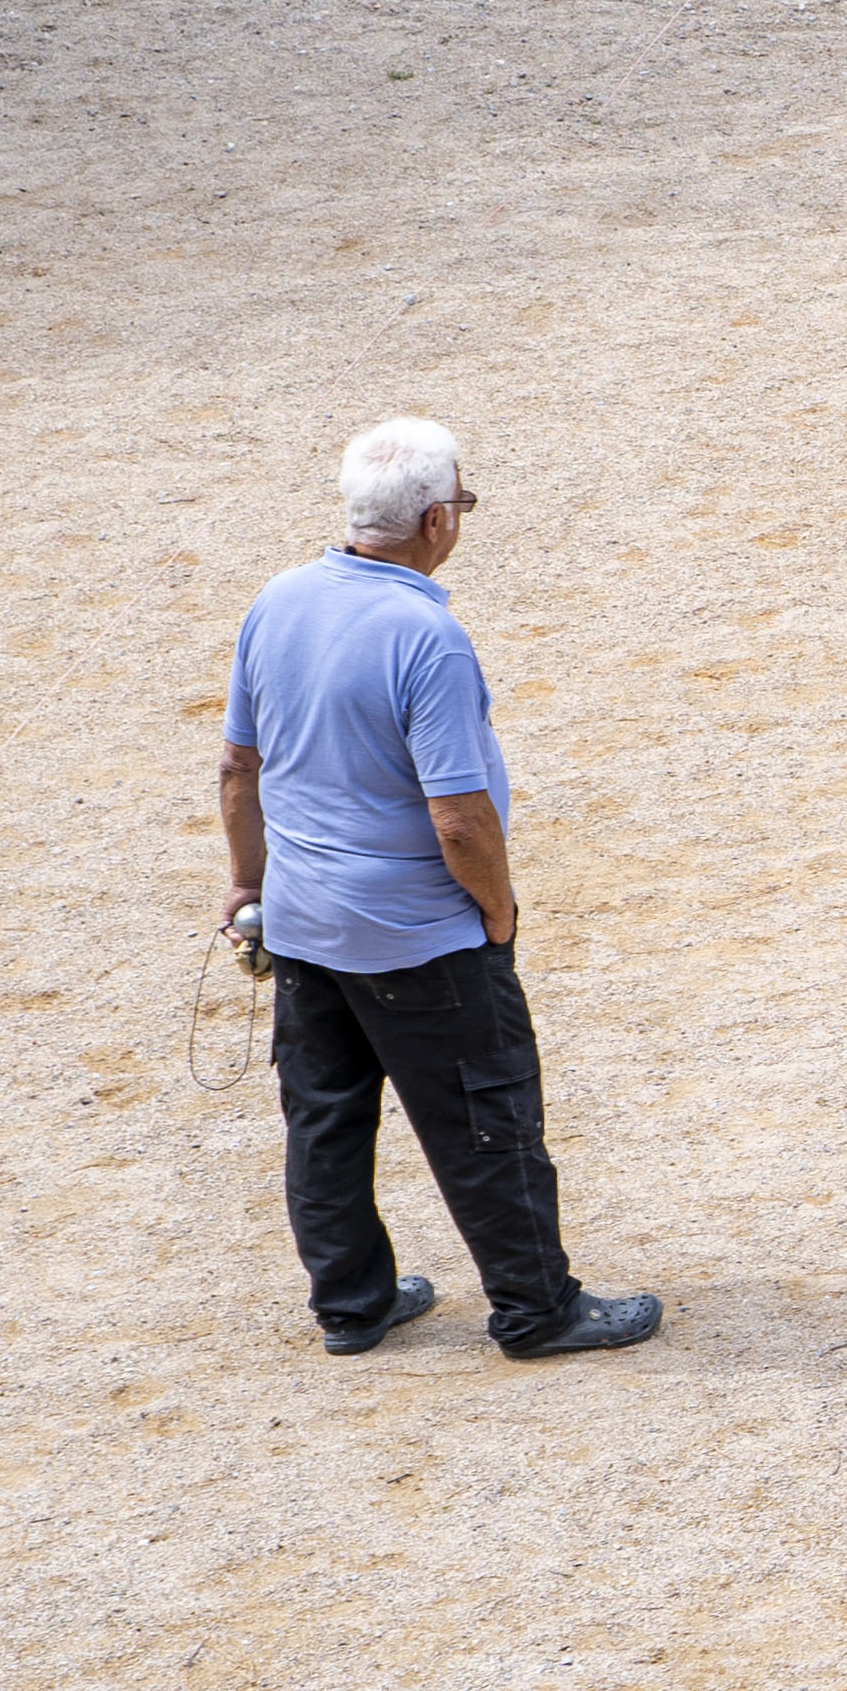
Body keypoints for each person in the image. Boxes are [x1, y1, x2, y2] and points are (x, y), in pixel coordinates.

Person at [216, 418, 663, 1360]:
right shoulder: (428, 637)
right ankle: (537, 1308)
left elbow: (237, 770)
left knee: (325, 1121)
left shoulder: (278, 601)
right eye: (458, 503)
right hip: (418, 936)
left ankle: (351, 1305)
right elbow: (458, 819)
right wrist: (496, 914)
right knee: (486, 1119)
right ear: (431, 521)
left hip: (302, 922)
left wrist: (249, 890)